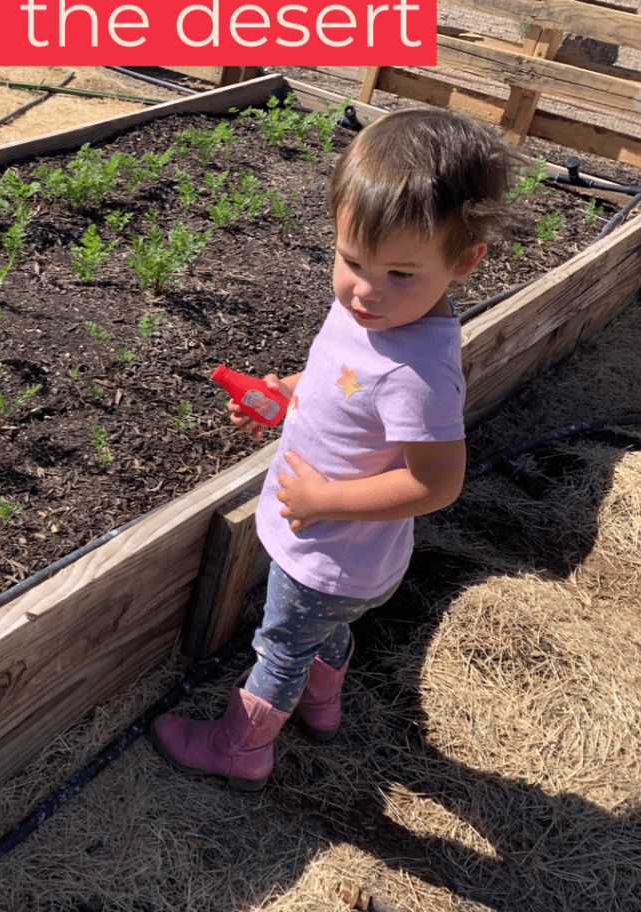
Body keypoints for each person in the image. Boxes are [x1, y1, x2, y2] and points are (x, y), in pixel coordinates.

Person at [151, 107, 517, 791]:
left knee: (280, 645)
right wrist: (286, 393)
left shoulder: (419, 373)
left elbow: (436, 485)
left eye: (401, 274)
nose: (365, 290)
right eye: (350, 261)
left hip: (331, 554)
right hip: (338, 557)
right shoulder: (368, 310)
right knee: (319, 632)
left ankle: (241, 747)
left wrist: (326, 500)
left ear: (465, 262)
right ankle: (322, 700)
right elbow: (340, 378)